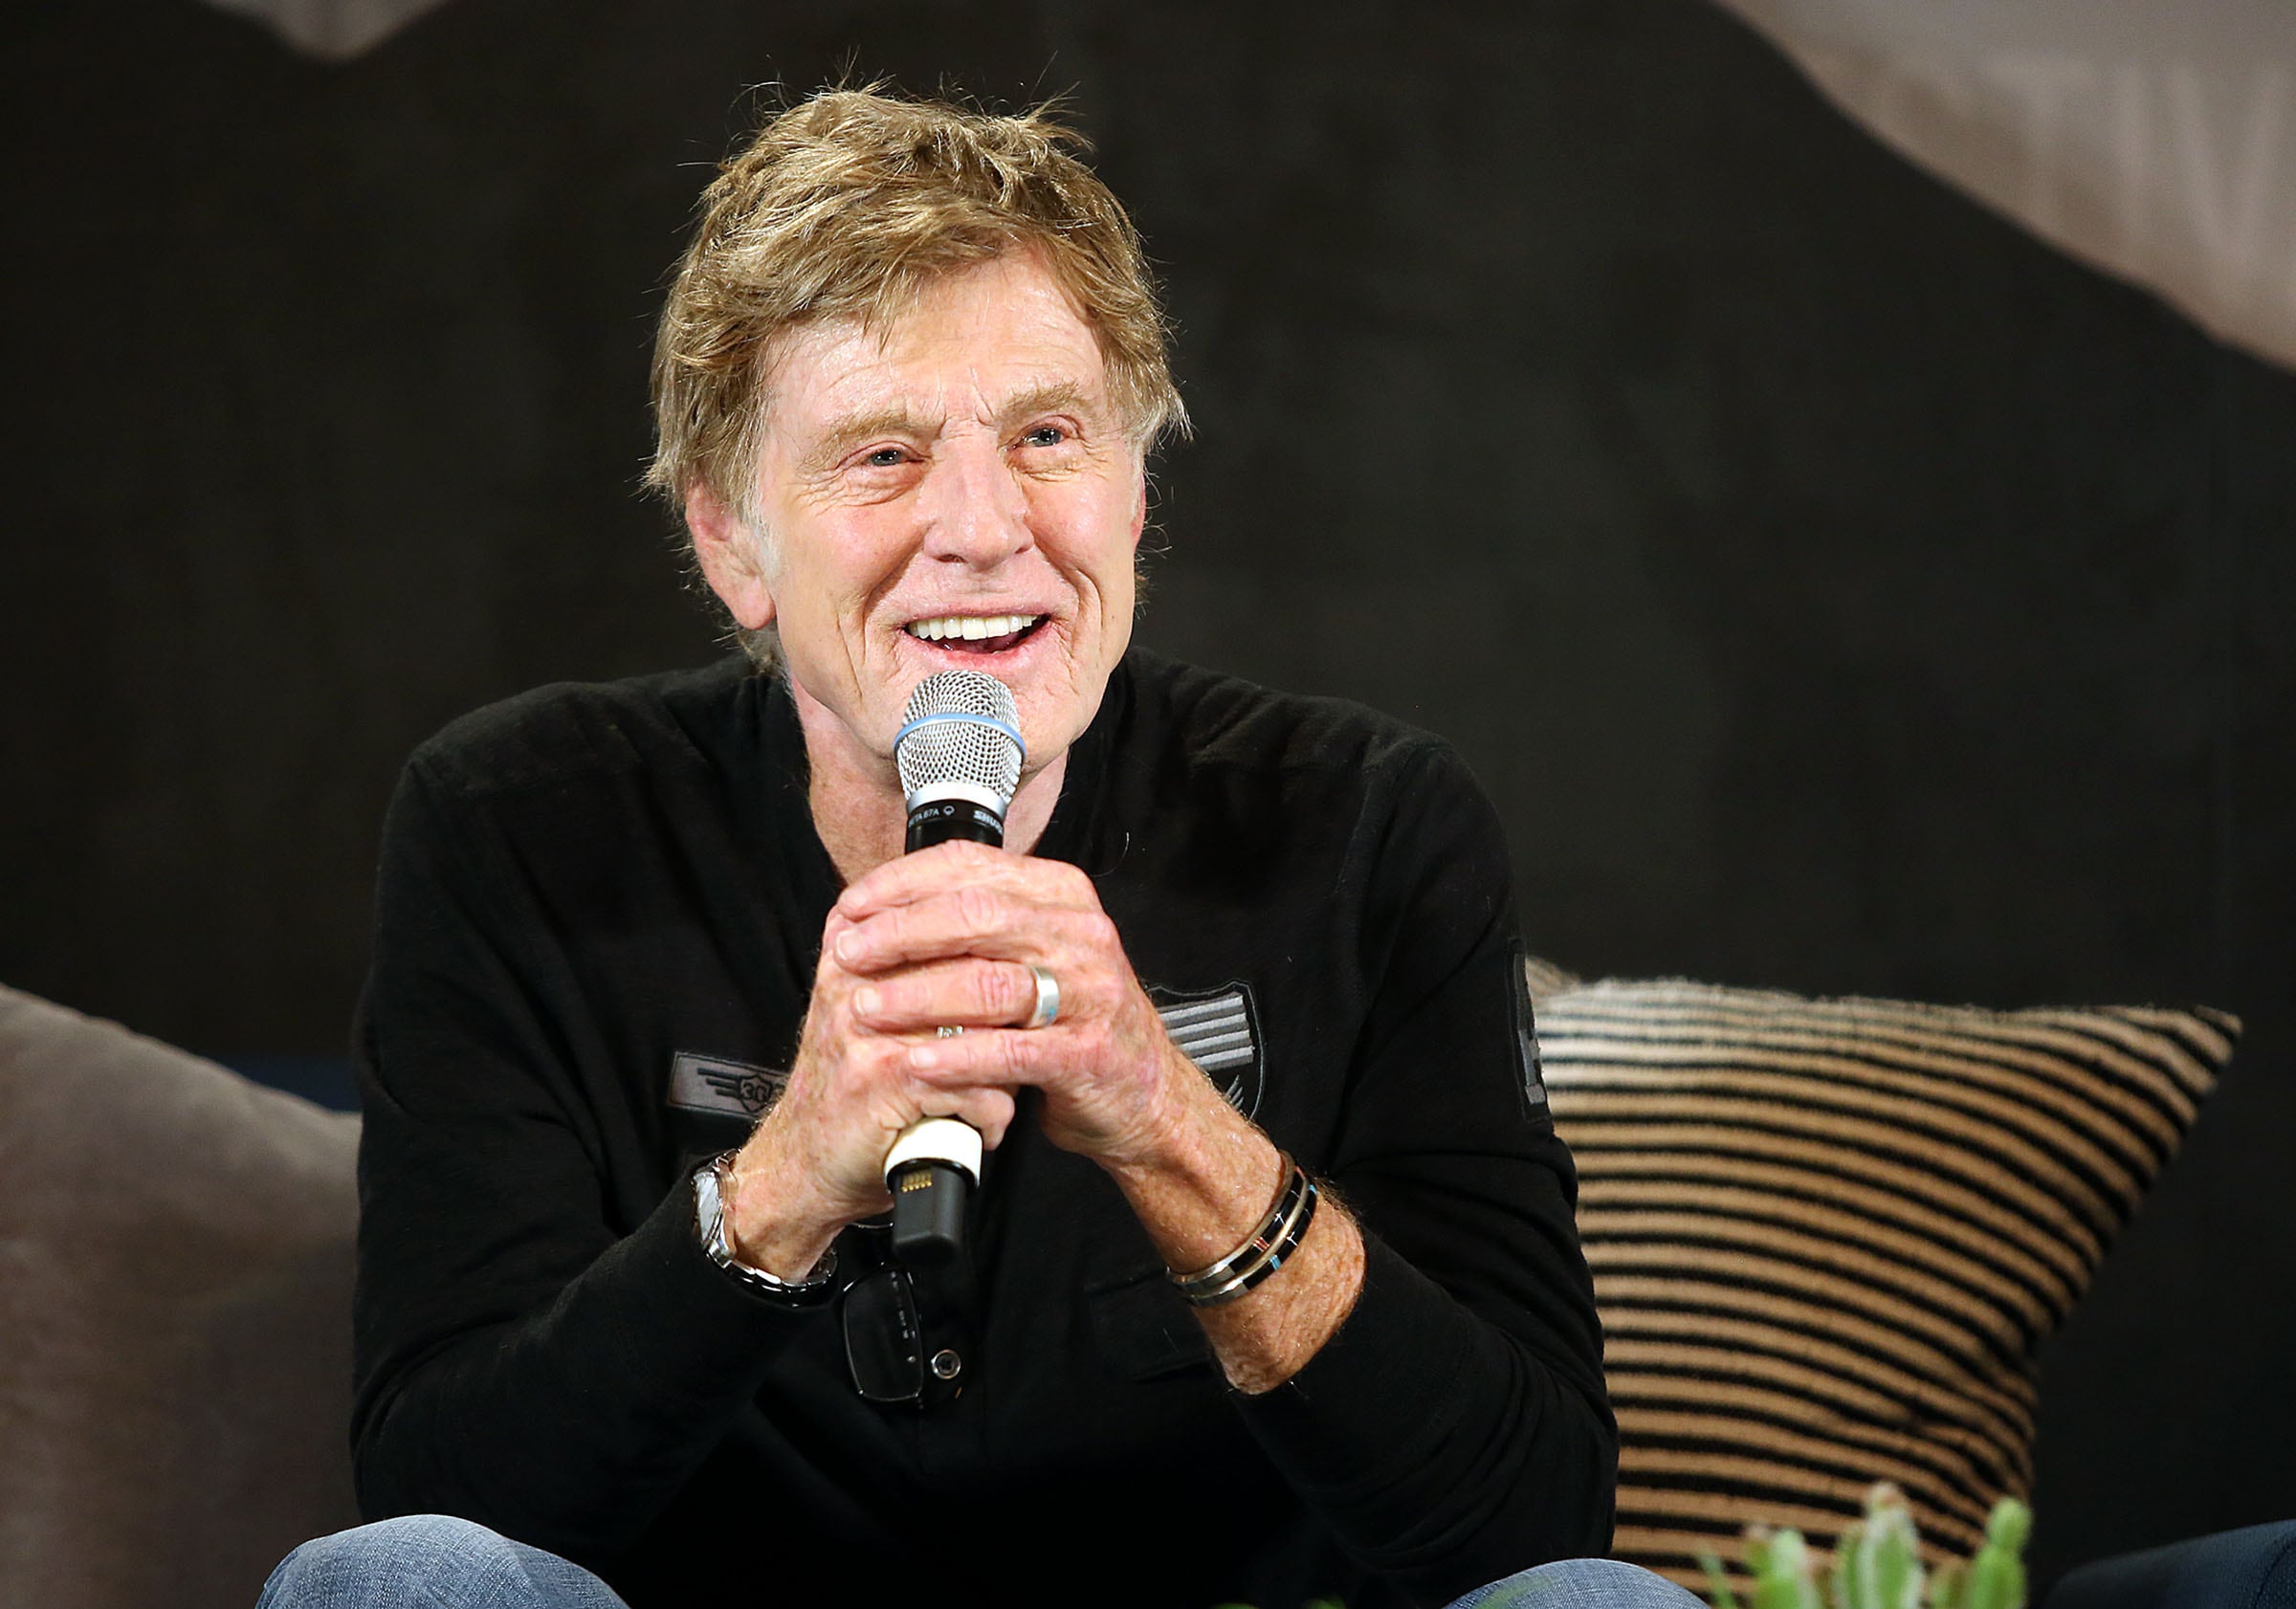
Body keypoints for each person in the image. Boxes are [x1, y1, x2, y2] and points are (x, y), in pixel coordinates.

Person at [258, 89, 1703, 1609]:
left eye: (1049, 436)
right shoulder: (519, 826)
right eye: (882, 453)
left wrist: (1165, 1119)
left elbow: (1535, 1515)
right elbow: (442, 1492)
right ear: (731, 540)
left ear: (1138, 494)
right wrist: (788, 1181)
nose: (984, 526)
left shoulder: (1370, 824)